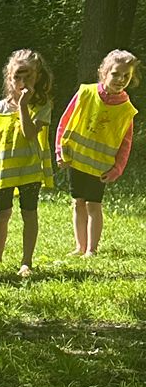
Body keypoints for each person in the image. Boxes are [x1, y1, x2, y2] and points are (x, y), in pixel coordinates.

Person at [56, 49, 138, 256]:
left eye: (126, 76)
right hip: (76, 160)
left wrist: (117, 169)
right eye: (116, 74)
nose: (121, 79)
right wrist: (59, 151)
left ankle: (91, 249)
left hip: (100, 166)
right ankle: (80, 246)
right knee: (78, 203)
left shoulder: (126, 109)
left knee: (94, 205)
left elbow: (126, 142)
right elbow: (64, 122)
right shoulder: (85, 93)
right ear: (104, 72)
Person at [0, 49, 54, 277]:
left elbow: (29, 133)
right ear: (9, 77)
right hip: (4, 171)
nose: (22, 82)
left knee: (29, 213)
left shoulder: (42, 106)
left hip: (29, 171)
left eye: (28, 76)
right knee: (2, 213)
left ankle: (26, 262)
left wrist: (23, 105)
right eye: (17, 77)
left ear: (38, 77)